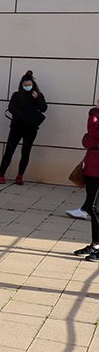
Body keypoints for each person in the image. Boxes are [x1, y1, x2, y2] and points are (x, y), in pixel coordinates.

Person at [0, 70, 48, 185]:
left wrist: (38, 98)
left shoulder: (37, 95)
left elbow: (43, 108)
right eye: (25, 85)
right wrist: (24, 116)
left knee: (25, 151)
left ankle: (20, 176)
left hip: (31, 128)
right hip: (17, 126)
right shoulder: (16, 95)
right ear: (22, 85)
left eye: (29, 85)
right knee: (9, 150)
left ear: (33, 85)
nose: (27, 87)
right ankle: (1, 175)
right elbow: (12, 108)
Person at [75, 99, 99, 261]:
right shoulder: (96, 114)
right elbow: (88, 138)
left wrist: (92, 140)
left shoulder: (96, 114)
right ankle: (95, 244)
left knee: (97, 208)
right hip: (92, 168)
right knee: (91, 207)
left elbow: (93, 134)